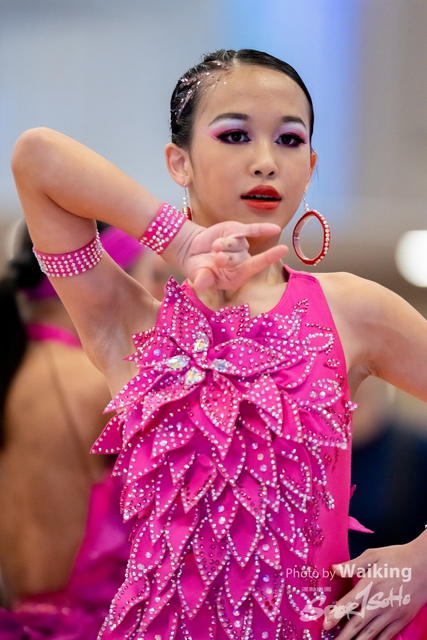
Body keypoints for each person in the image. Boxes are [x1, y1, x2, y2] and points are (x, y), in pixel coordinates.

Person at [9, 48, 427, 640]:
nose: (266, 161)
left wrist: (420, 563)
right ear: (178, 162)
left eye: (289, 140)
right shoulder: (128, 322)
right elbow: (36, 158)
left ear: (310, 166)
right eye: (235, 135)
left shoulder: (354, 310)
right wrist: (180, 241)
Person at [0, 224, 148, 638]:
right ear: (110, 283)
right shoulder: (102, 386)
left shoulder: (11, 369)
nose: (155, 299)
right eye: (149, 279)